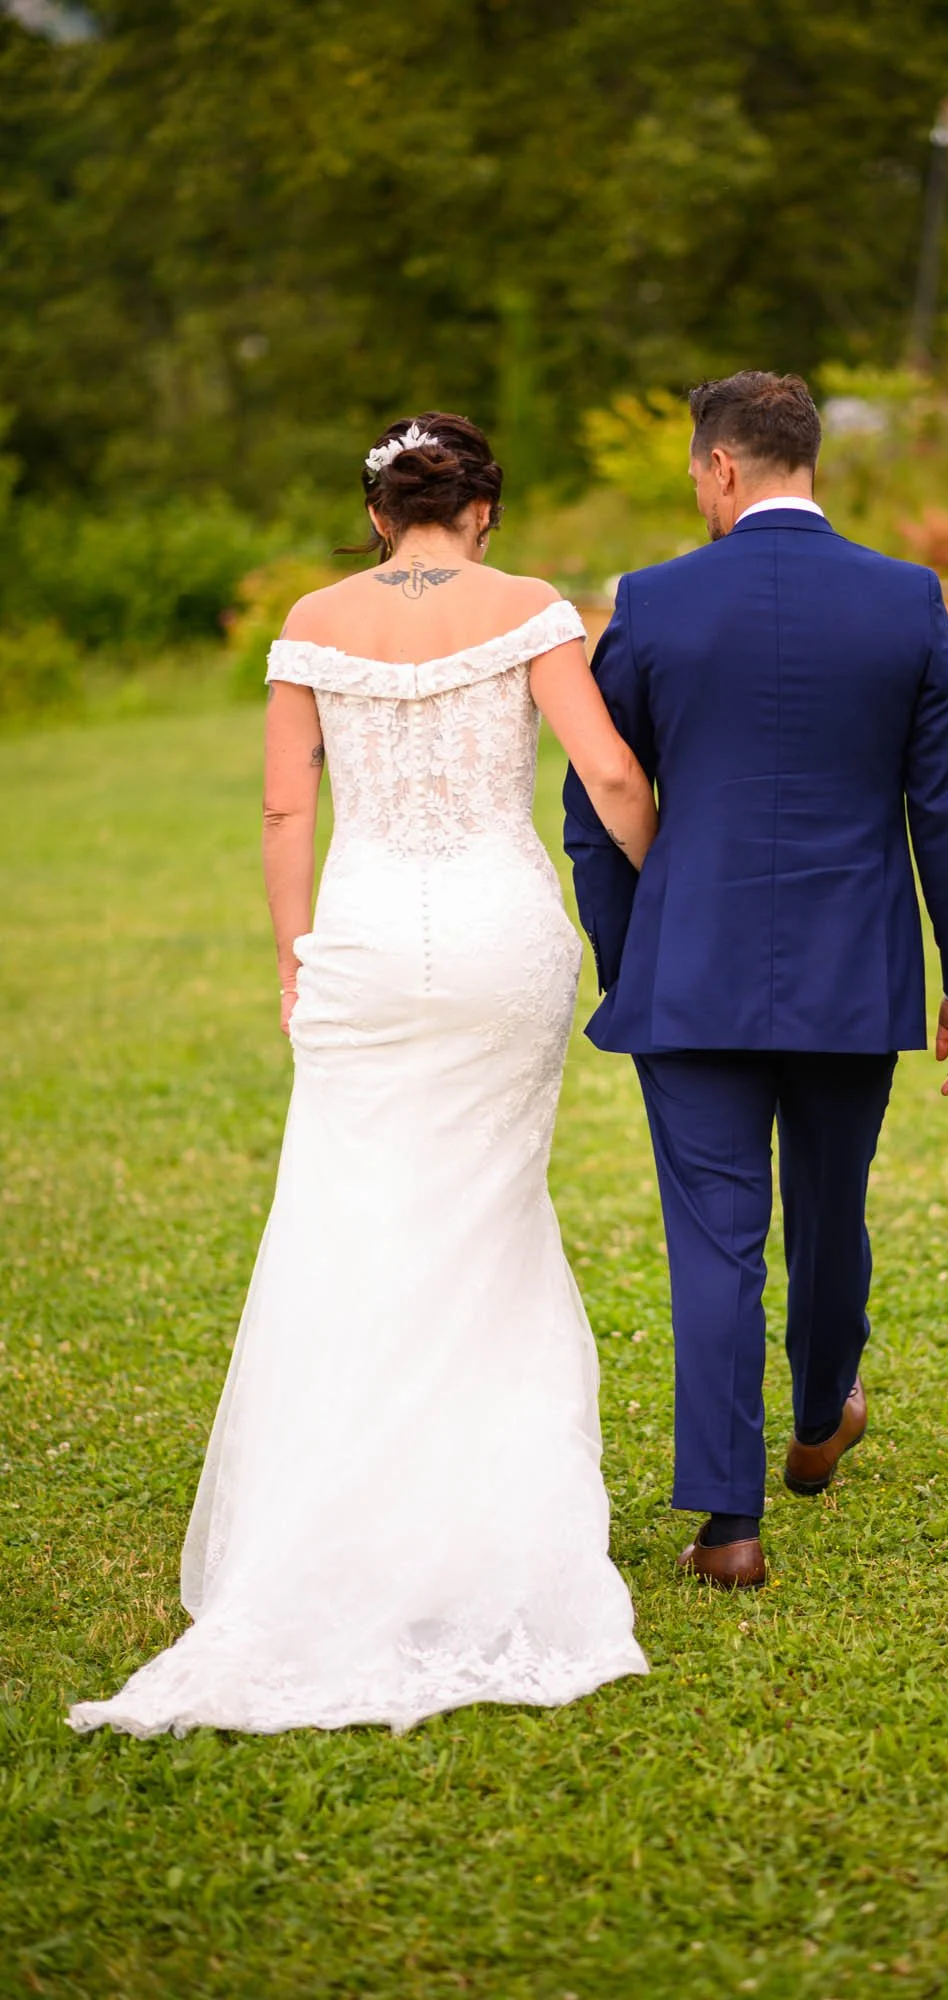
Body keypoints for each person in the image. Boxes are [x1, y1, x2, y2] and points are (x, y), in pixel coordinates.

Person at [70, 414, 655, 1735]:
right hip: (505, 942)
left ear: (382, 513)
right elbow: (607, 767)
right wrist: (667, 879)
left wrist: (295, 957)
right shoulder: (531, 606)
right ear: (483, 508)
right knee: (489, 1215)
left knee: (355, 1212)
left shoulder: (315, 615)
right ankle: (480, 1532)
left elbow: (288, 808)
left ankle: (343, 1516)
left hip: (369, 941)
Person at [564, 371, 948, 1590]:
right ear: (807, 463)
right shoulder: (906, 599)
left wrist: (630, 953)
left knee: (715, 1246)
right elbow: (947, 809)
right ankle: (818, 1422)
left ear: (720, 471)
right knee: (829, 1208)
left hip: (687, 974)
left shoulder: (649, 604)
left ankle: (727, 1525)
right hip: (851, 975)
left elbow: (597, 812)